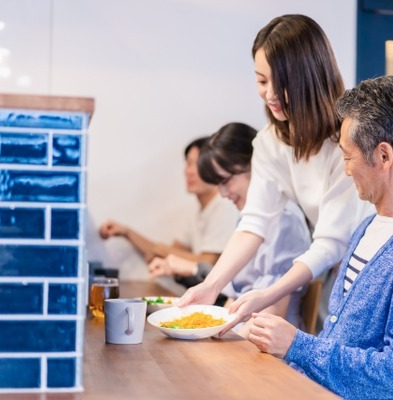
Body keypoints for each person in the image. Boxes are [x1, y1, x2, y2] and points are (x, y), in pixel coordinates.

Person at [246, 76, 393, 400]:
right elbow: (338, 340)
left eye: (348, 157)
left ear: (384, 156)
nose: (346, 170)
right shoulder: (366, 227)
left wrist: (296, 345)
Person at [178, 14, 371, 332]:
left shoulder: (346, 139)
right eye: (261, 80)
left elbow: (331, 243)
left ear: (309, 77)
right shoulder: (270, 142)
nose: (268, 94)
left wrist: (269, 294)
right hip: (340, 266)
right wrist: (211, 286)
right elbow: (253, 223)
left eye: (278, 82)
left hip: (374, 263)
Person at [147, 122, 312, 337]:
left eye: (225, 181)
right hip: (242, 332)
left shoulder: (285, 219)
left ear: (255, 165)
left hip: (267, 344)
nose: (223, 193)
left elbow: (273, 313)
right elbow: (236, 298)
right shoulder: (248, 218)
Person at [98, 137, 239, 267]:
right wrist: (127, 232)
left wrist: (161, 250)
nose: (189, 171)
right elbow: (165, 254)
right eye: (188, 163)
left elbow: (207, 263)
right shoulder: (197, 211)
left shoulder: (224, 205)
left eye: (197, 165)